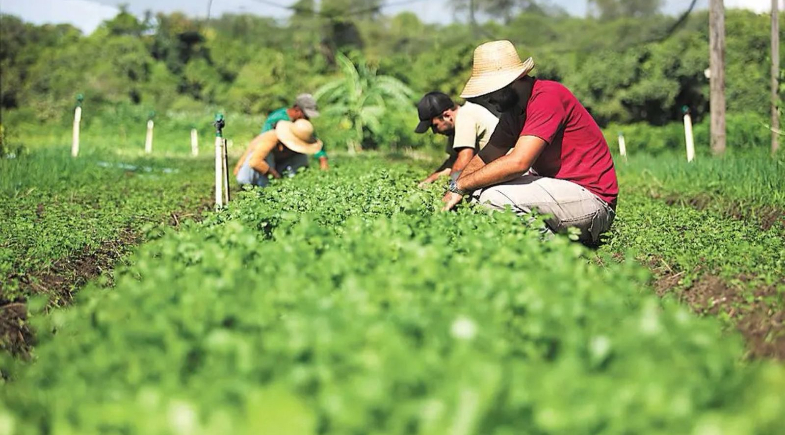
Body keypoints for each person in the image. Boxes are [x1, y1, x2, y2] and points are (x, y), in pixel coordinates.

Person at [442, 40, 618, 244]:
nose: (488, 99)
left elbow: (519, 163)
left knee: (494, 198)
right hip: (561, 193)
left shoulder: (548, 96)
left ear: (512, 81)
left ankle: (554, 254)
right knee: (478, 191)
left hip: (593, 200)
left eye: (490, 92)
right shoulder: (513, 112)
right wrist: (455, 188)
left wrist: (461, 185)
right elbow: (487, 156)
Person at [414, 92, 499, 187]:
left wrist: (449, 188)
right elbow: (453, 162)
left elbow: (464, 160)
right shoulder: (455, 125)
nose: (434, 131)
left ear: (446, 115)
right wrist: (428, 181)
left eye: (434, 126)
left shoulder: (465, 116)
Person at [234, 119, 323, 187]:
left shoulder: (297, 152)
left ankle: (289, 185)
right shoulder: (271, 138)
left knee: (302, 158)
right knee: (268, 156)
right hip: (250, 174)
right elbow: (255, 162)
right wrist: (275, 177)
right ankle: (264, 188)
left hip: (276, 170)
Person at [260, 93, 329, 170]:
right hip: (272, 157)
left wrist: (323, 159)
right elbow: (263, 142)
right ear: (297, 109)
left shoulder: (302, 124)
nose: (307, 119)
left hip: (288, 159)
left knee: (302, 157)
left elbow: (312, 140)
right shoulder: (276, 119)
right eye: (306, 115)